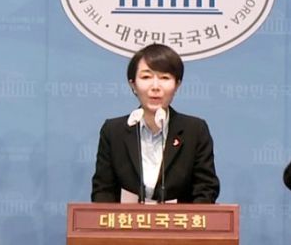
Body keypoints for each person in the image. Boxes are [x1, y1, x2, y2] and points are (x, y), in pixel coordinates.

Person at [91, 43, 219, 203]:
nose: (155, 87)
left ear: (177, 85)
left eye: (165, 78)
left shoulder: (195, 130)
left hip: (180, 219)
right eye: (146, 77)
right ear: (133, 84)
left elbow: (206, 189)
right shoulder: (113, 131)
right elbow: (103, 191)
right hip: (126, 219)